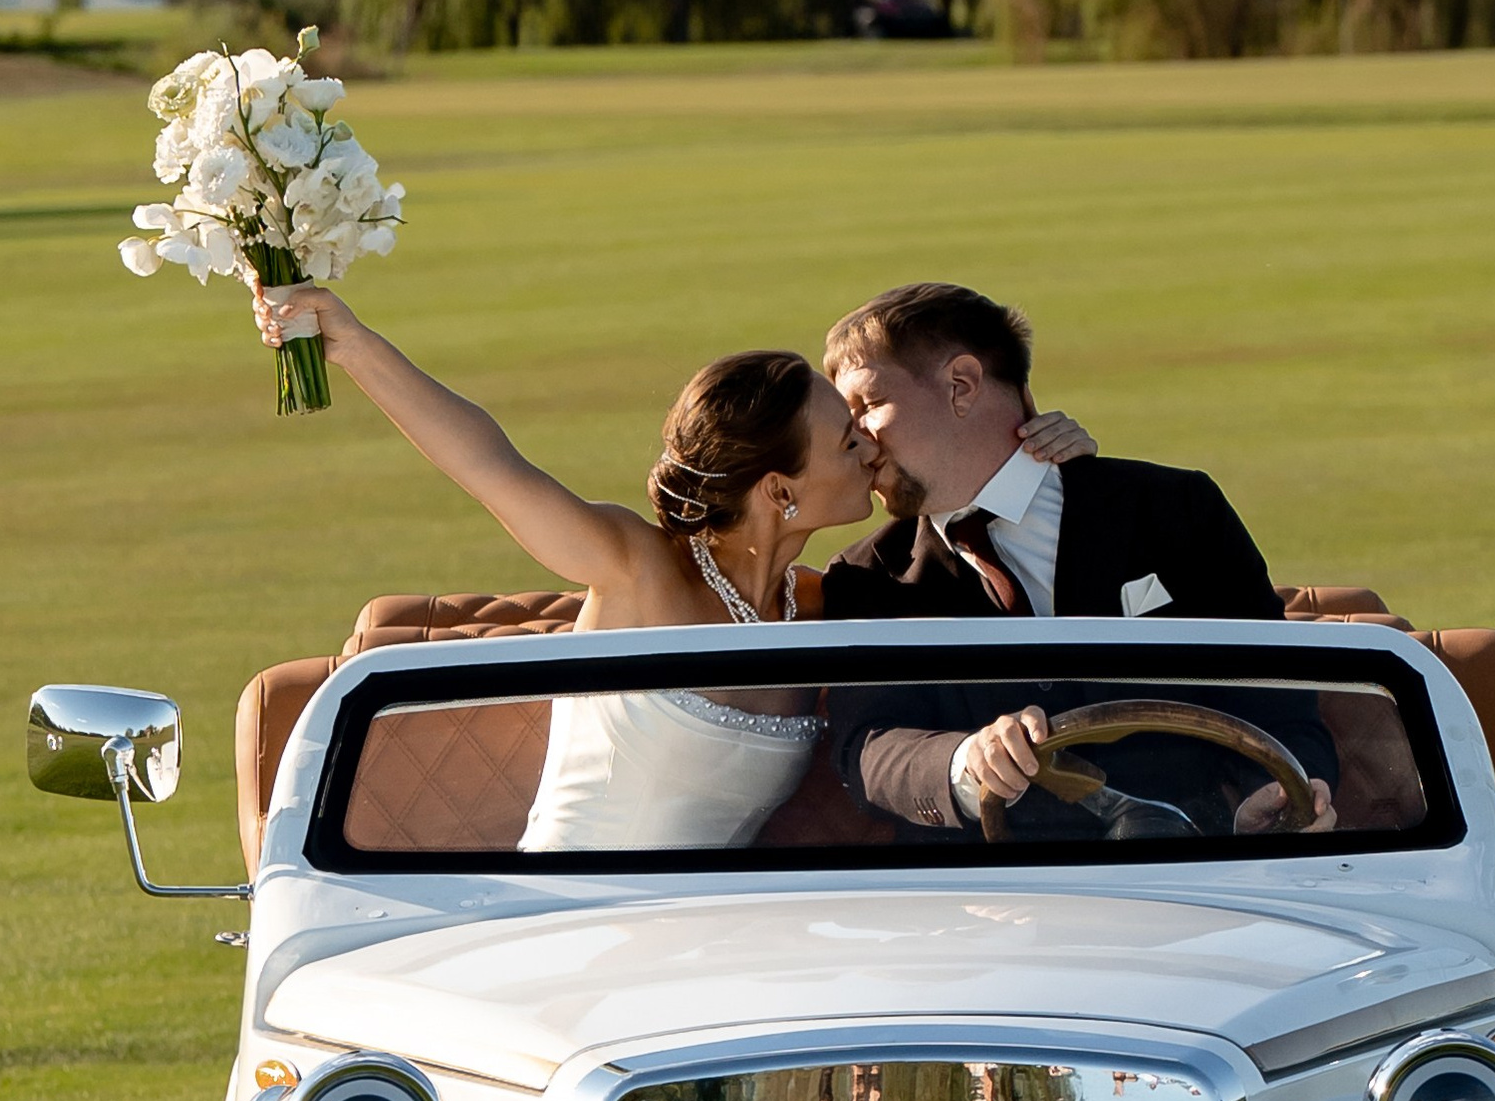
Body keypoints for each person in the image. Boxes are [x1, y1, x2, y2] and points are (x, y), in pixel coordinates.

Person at [245, 279, 1090, 849]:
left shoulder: (822, 601)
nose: (871, 445)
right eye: (846, 439)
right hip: (565, 921)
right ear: (780, 491)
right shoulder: (638, 570)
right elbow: (490, 464)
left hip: (702, 947)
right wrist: (348, 342)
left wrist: (1051, 465)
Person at [815, 279, 1336, 837]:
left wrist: (1269, 803)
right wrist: (967, 760)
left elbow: (1279, 703)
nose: (859, 441)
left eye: (869, 406)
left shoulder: (1177, 510)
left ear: (961, 386)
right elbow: (868, 747)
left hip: (1193, 866)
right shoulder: (865, 576)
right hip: (985, 882)